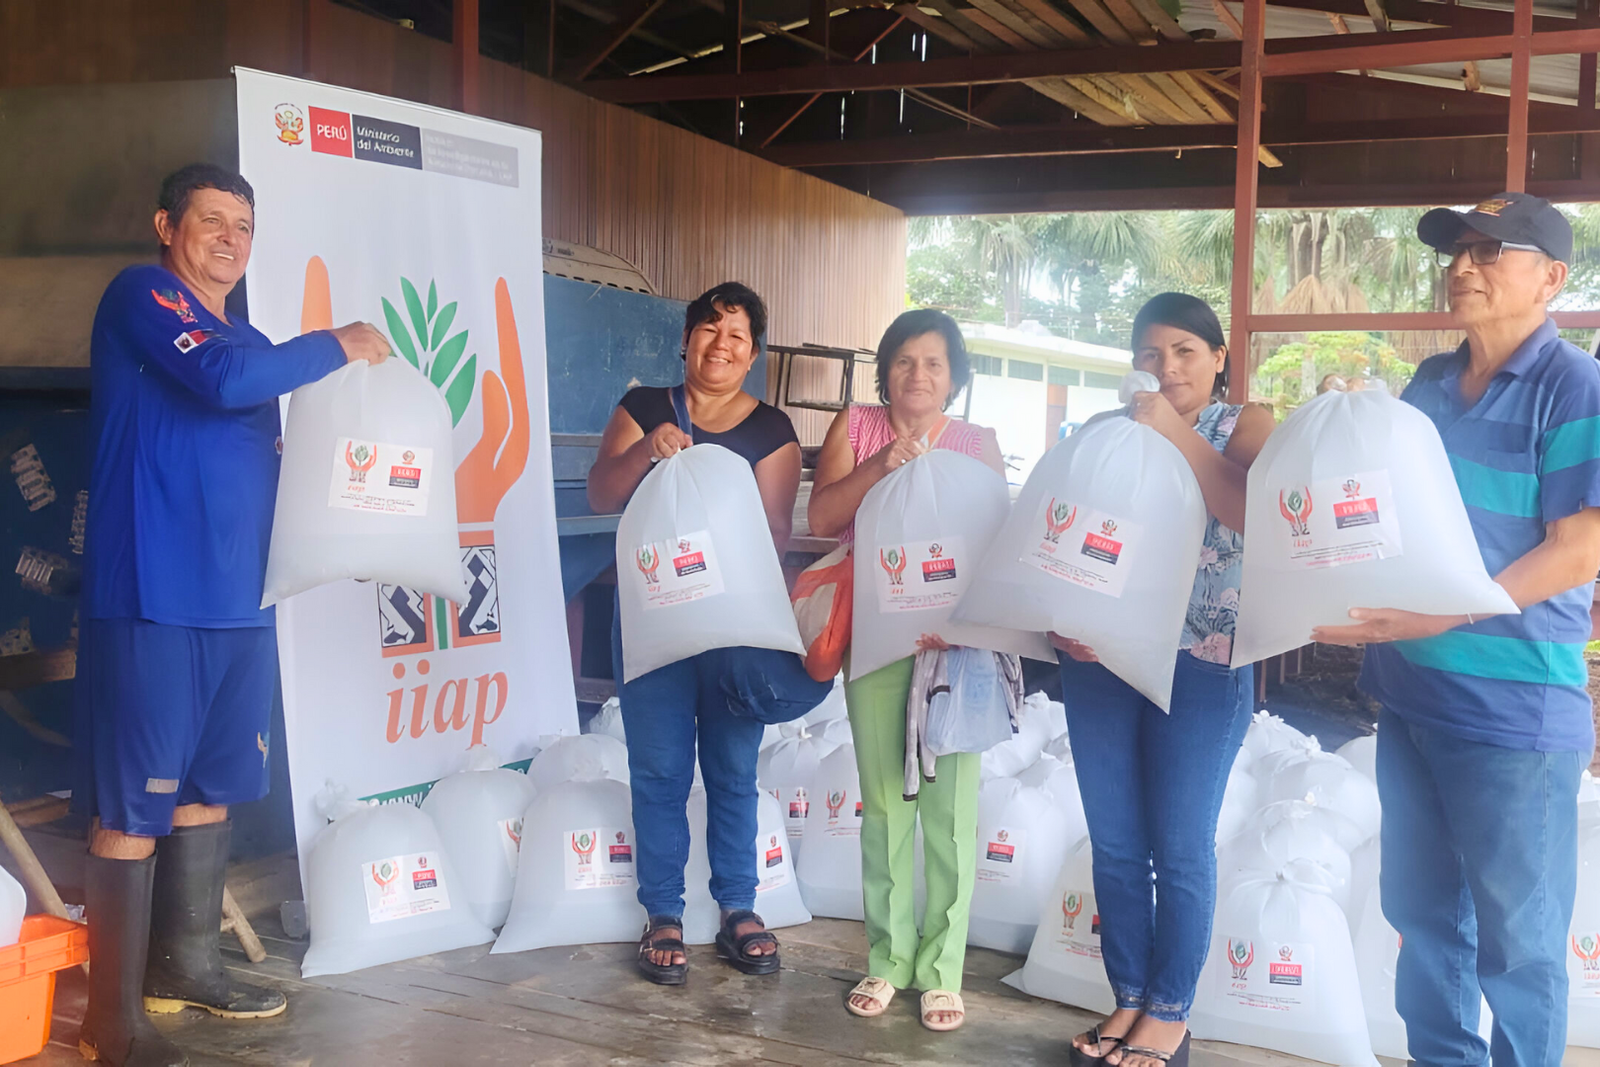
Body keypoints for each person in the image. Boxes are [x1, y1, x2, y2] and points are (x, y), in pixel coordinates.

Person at [74, 163, 390, 1067]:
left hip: (240, 602)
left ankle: (186, 968)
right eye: (212, 220)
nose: (229, 239)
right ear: (166, 225)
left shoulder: (247, 339)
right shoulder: (144, 299)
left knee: (207, 791)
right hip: (153, 596)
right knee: (135, 805)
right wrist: (335, 342)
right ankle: (109, 1025)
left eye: (243, 226)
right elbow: (218, 380)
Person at [1316, 193, 1600, 1066]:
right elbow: (1385, 511)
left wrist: (1447, 611)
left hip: (1515, 717)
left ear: (1551, 278)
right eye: (1457, 251)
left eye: (1491, 251)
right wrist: (1341, 424)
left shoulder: (1575, 385)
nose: (1463, 266)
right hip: (1410, 698)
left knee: (1520, 947)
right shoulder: (1429, 383)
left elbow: (1580, 548)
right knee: (1423, 917)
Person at [1052, 293, 1274, 1067]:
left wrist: (1172, 430)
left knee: (1179, 844)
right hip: (1100, 658)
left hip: (1204, 660)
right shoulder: (1103, 430)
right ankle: (1129, 997)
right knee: (1116, 841)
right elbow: (1062, 533)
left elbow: (1246, 511)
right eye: (1151, 353)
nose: (1167, 366)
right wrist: (1058, 617)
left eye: (1185, 351)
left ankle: (1171, 1011)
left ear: (1218, 358)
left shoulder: (1246, 424)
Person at [588, 282, 816, 985]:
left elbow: (774, 534)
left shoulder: (772, 430)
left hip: (734, 630)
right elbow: (602, 493)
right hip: (652, 616)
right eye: (710, 329)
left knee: (732, 769)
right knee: (658, 769)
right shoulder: (644, 409)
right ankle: (662, 912)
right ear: (686, 340)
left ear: (753, 353)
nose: (721, 344)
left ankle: (738, 906)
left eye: (737, 334)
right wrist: (644, 454)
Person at [807, 309, 1004, 1032]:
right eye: (904, 361)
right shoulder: (856, 427)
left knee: (952, 812)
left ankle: (941, 968)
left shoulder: (978, 444)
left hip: (956, 648)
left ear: (955, 377)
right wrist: (879, 465)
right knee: (886, 804)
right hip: (877, 639)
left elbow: (996, 540)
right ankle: (888, 958)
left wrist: (964, 624)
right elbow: (822, 519)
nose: (918, 374)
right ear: (885, 371)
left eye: (934, 362)